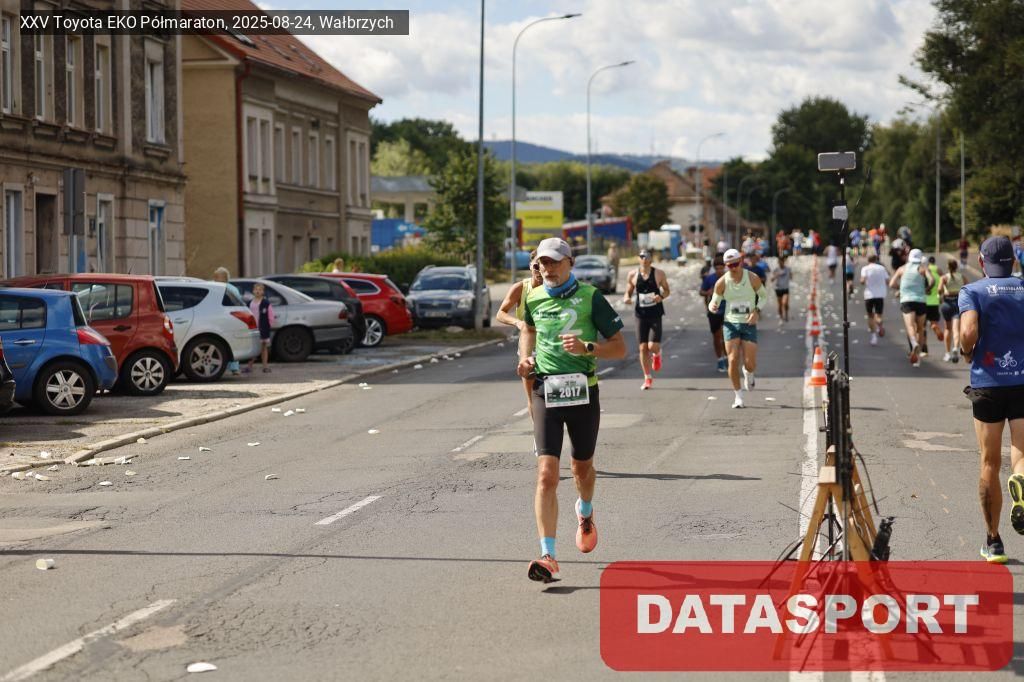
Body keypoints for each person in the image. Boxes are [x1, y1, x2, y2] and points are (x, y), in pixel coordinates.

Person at [517, 238, 626, 583]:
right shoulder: (533, 297)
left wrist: (587, 347)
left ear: (570, 263)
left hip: (582, 391)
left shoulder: (592, 297)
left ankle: (585, 510)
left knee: (582, 468)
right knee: (546, 474)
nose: (548, 268)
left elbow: (619, 348)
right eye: (543, 263)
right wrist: (526, 358)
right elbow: (528, 331)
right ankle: (548, 555)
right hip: (545, 390)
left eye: (554, 262)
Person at [957, 236, 1024, 563]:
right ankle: (1022, 481)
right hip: (1023, 381)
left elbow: (968, 331)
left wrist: (966, 351)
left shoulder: (972, 291)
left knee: (989, 463)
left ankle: (993, 541)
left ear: (982, 262)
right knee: (1021, 455)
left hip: (988, 384)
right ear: (1014, 261)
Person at [709, 248, 766, 408]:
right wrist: (712, 306)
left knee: (750, 363)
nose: (733, 268)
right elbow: (714, 300)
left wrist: (756, 311)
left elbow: (763, 296)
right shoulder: (722, 282)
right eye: (730, 265)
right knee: (732, 359)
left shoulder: (752, 278)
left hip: (748, 323)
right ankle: (738, 396)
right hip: (730, 323)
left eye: (735, 264)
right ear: (726, 266)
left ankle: (748, 372)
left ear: (741, 262)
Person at [497, 250, 543, 412]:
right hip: (529, 348)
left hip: (553, 346)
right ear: (530, 266)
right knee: (533, 397)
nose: (540, 271)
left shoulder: (557, 288)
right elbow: (501, 313)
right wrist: (518, 323)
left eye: (543, 266)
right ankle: (538, 428)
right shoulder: (521, 288)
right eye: (536, 266)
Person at [623, 249, 670, 390]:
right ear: (639, 259)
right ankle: (647, 377)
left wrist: (660, 297)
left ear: (651, 259)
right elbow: (628, 291)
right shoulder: (632, 274)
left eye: (646, 256)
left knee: (652, 346)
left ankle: (657, 354)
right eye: (641, 256)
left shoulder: (659, 274)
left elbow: (667, 290)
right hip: (640, 314)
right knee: (642, 347)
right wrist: (627, 298)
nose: (644, 259)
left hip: (655, 313)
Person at [889, 248, 934, 366]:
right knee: (920, 328)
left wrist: (901, 289)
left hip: (907, 300)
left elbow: (891, 283)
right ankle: (918, 358)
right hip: (921, 300)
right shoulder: (923, 268)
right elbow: (932, 280)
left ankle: (914, 343)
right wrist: (926, 289)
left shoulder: (902, 269)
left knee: (910, 325)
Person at [212, 267, 243, 376]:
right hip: (230, 319)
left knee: (216, 343)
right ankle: (234, 368)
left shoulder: (217, 288)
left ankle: (217, 366)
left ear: (223, 277)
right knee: (233, 343)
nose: (214, 278)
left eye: (216, 277)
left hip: (220, 319)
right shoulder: (232, 289)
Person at [700, 256, 728, 372]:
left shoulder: (729, 278)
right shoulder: (709, 279)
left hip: (728, 311)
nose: (719, 271)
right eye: (717, 268)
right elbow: (701, 291)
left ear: (725, 267)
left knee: (726, 336)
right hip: (714, 311)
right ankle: (720, 359)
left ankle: (727, 357)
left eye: (721, 268)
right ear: (714, 268)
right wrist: (707, 292)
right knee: (717, 336)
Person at [939, 258, 968, 363]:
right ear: (956, 267)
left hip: (947, 303)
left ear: (948, 267)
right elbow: (968, 288)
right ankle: (955, 347)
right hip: (958, 303)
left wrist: (943, 293)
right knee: (956, 329)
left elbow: (939, 289)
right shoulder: (962, 277)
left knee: (947, 328)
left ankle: (947, 353)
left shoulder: (944, 277)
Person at [859, 254, 889, 345]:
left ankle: (873, 336)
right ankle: (879, 326)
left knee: (870, 316)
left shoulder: (865, 269)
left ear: (868, 260)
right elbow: (887, 281)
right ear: (876, 259)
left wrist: (864, 281)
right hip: (880, 295)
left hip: (869, 295)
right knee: (878, 315)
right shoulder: (882, 268)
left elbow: (862, 281)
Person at [247, 283, 275, 373]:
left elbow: (271, 316)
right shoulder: (250, 303)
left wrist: (268, 326)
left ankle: (265, 366)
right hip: (252, 328)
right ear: (253, 291)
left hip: (263, 328)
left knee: (263, 348)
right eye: (256, 289)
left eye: (260, 290)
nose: (258, 291)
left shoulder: (266, 303)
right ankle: (249, 366)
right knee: (253, 348)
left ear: (263, 292)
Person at [922, 256, 946, 356]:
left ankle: (924, 349)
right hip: (934, 301)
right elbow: (944, 281)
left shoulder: (922, 272)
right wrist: (942, 295)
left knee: (922, 327)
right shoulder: (937, 271)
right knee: (933, 321)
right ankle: (935, 326)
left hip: (923, 301)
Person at [770, 255, 792, 323]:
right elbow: (771, 280)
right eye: (779, 262)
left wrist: (790, 275)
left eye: (782, 261)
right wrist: (776, 275)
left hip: (785, 288)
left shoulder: (788, 269)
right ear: (778, 262)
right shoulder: (776, 269)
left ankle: (786, 314)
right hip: (778, 289)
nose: (781, 263)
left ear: (784, 262)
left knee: (785, 303)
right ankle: (781, 317)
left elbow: (791, 277)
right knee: (779, 305)